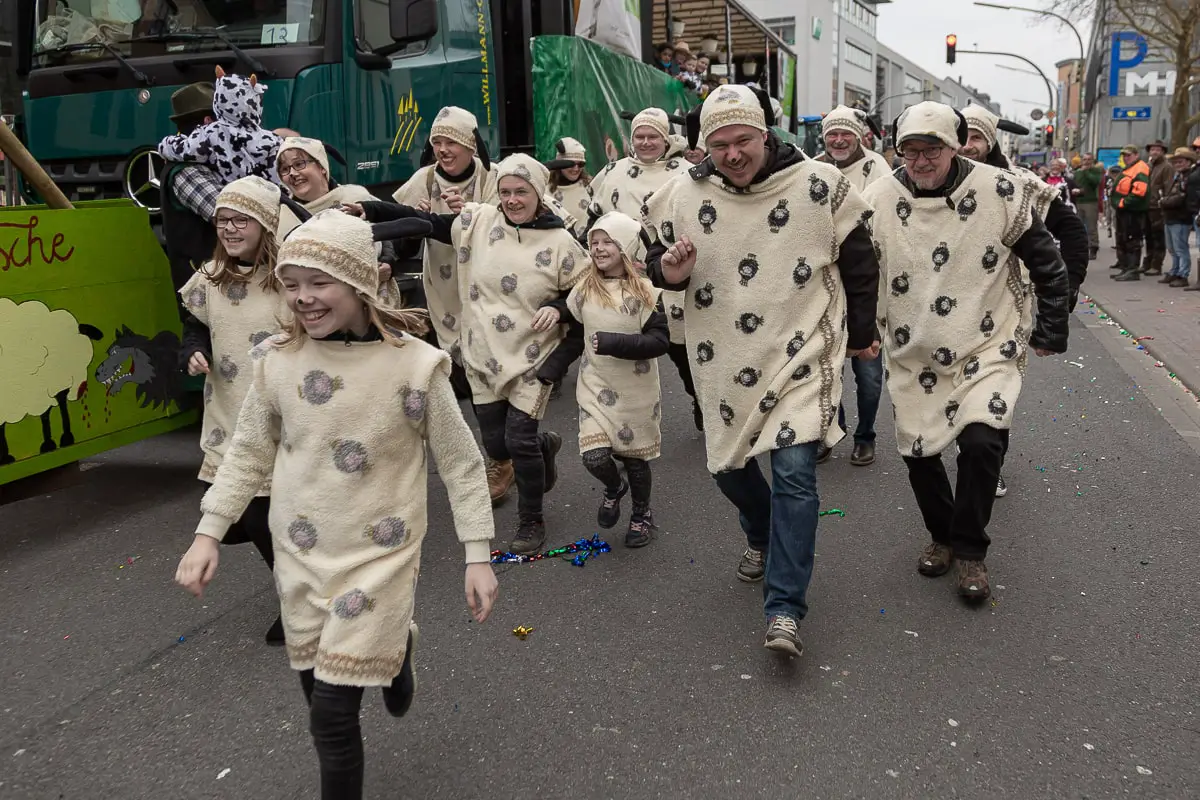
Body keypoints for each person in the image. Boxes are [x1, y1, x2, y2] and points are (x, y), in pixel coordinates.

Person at [174, 210, 498, 800]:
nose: (303, 298)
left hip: (380, 557)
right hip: (299, 552)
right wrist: (207, 533)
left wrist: (478, 554)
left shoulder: (415, 366)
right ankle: (396, 653)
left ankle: (388, 647)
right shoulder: (276, 361)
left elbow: (461, 463)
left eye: (319, 282)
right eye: (291, 284)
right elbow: (246, 453)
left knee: (331, 715)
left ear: (360, 283)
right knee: (316, 686)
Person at [644, 84, 881, 656]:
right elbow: (654, 263)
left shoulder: (819, 185)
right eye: (718, 144)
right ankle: (760, 531)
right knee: (728, 469)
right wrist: (671, 271)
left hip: (802, 349)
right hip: (723, 357)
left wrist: (863, 335)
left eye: (742, 139)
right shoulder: (684, 194)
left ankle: (784, 609)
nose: (731, 153)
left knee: (796, 473)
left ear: (765, 135)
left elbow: (860, 258)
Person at [862, 101, 1070, 602]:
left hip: (986, 340)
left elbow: (1048, 261)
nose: (921, 160)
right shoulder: (877, 199)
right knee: (919, 452)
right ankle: (942, 536)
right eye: (910, 150)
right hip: (914, 349)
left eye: (931, 149)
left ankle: (971, 551)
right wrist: (860, 328)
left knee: (982, 443)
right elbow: (858, 273)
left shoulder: (1000, 190)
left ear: (954, 147)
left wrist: (1050, 329)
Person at [350, 154, 588, 555]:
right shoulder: (478, 223)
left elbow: (584, 296)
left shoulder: (561, 243)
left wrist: (561, 309)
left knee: (519, 439)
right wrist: (367, 216)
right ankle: (542, 446)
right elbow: (422, 222)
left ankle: (532, 519)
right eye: (506, 192)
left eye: (521, 192)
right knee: (496, 444)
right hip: (481, 356)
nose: (512, 200)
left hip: (531, 358)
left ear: (539, 193)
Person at [178, 175, 290, 645]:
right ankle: (305, 560)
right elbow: (193, 323)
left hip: (277, 415)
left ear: (265, 224)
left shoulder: (289, 276)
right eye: (223, 219)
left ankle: (296, 599)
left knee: (258, 515)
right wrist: (191, 350)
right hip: (226, 410)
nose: (230, 228)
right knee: (229, 523)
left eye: (241, 219)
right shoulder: (208, 278)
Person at [958, 104, 1087, 499]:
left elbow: (1074, 232)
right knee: (954, 392)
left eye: (975, 137)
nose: (967, 146)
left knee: (992, 393)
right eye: (960, 137)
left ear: (991, 140)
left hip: (1005, 311)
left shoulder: (1019, 183)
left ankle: (987, 466)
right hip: (947, 309)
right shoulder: (933, 180)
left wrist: (1064, 294)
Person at [389, 107, 512, 502]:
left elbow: (514, 228)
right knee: (466, 379)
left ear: (470, 144)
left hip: (493, 290)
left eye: (451, 142)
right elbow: (401, 244)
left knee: (498, 377)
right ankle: (506, 455)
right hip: (444, 294)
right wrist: (416, 219)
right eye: (437, 142)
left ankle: (517, 449)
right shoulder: (421, 181)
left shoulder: (494, 179)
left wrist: (470, 213)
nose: (443, 150)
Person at [565, 212, 669, 547]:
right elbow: (573, 335)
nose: (598, 248)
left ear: (625, 246)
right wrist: (548, 369)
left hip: (635, 391)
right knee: (593, 456)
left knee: (634, 459)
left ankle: (641, 514)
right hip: (595, 386)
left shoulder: (646, 294)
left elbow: (659, 342)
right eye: (594, 242)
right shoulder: (583, 290)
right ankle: (614, 488)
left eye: (607, 241)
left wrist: (614, 342)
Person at [590, 107, 698, 429]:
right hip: (623, 276)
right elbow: (594, 218)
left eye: (653, 136)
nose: (646, 142)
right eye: (640, 136)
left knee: (683, 353)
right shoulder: (613, 171)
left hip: (670, 275)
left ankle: (701, 398)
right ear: (632, 139)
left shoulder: (687, 172)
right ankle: (618, 426)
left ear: (666, 140)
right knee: (621, 354)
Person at [814, 104, 892, 467]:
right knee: (825, 369)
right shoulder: (812, 167)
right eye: (833, 134)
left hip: (867, 281)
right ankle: (832, 429)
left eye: (845, 133)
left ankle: (866, 436)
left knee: (868, 372)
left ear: (859, 136)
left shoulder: (878, 167)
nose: (839, 140)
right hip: (824, 284)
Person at [275, 136, 394, 265]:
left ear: (322, 166)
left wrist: (388, 262)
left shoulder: (356, 197)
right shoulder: (281, 216)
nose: (292, 173)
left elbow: (390, 236)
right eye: (284, 169)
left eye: (299, 164)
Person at [157, 67, 281, 186]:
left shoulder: (211, 132)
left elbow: (182, 150)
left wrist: (167, 143)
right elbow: (279, 177)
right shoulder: (272, 139)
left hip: (233, 199)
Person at [160, 82, 223, 291]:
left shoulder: (206, 163)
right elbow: (233, 213)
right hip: (204, 294)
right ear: (208, 122)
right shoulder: (187, 171)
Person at [1112, 144, 1152, 282]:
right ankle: (1127, 268)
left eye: (1128, 155)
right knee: (1124, 239)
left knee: (1132, 240)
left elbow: (1139, 192)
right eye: (1124, 155)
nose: (1126, 157)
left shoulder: (1140, 168)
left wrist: (1123, 203)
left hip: (1133, 211)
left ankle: (1133, 270)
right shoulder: (1130, 168)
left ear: (1136, 155)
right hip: (1125, 211)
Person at [1160, 147, 1196, 287]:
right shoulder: (1178, 176)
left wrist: (1164, 202)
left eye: (1180, 161)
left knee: (1181, 248)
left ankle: (1183, 274)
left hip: (1180, 217)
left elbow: (1181, 197)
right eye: (1175, 162)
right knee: (1172, 248)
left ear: (1188, 162)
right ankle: (1175, 270)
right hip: (1171, 216)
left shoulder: (1188, 178)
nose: (1177, 164)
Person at [545, 137, 593, 223]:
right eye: (571, 164)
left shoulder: (591, 187)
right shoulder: (544, 189)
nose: (576, 168)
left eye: (580, 164)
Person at [1144, 140, 1172, 277]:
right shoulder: (1150, 166)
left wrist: (1164, 202)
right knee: (1149, 236)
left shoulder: (1166, 167)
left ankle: (1156, 265)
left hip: (1158, 207)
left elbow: (1168, 186)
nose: (1154, 152)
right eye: (1152, 149)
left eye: (1157, 149)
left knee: (1158, 237)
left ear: (1162, 152)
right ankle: (1148, 262)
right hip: (1148, 206)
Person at [1073, 153, 1106, 260]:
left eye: (1089, 159)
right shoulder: (1078, 172)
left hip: (1091, 202)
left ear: (1092, 161)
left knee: (1091, 227)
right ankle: (1081, 247)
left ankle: (1093, 247)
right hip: (1079, 201)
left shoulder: (1096, 171)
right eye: (1084, 159)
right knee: (1079, 226)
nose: (1086, 161)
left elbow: (1095, 181)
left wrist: (1086, 171)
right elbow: (1075, 183)